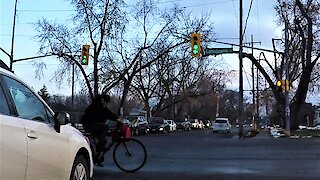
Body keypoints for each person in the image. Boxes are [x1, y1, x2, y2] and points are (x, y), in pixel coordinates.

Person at [81, 94, 121, 165]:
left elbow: (108, 114)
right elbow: (107, 114)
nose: (107, 104)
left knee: (103, 139)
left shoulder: (100, 105)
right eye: (106, 102)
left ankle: (98, 154)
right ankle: (99, 148)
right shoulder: (97, 106)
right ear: (104, 101)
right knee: (104, 128)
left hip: (92, 125)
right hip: (89, 125)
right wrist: (117, 119)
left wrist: (117, 118)